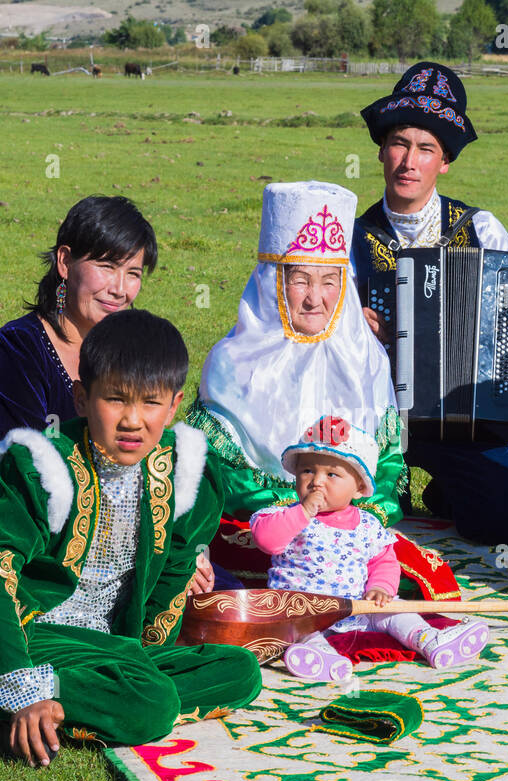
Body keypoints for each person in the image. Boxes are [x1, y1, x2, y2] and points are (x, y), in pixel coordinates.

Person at [0, 310, 262, 767]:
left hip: (115, 644)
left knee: (239, 672)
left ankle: (49, 696)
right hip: (34, 628)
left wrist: (141, 659)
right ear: (81, 397)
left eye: (151, 403)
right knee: (152, 703)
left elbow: (173, 579)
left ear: (173, 407)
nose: (133, 421)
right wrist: (22, 681)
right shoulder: (41, 466)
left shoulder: (189, 476)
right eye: (115, 399)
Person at [186, 180, 459, 600]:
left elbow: (386, 463)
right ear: (273, 281)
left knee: (428, 581)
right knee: (228, 573)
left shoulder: (366, 357)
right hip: (260, 530)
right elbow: (216, 475)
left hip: (348, 521)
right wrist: (300, 507)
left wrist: (353, 514)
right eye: (300, 281)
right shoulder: (231, 362)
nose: (316, 299)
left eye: (329, 281)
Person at [352, 62, 508, 548]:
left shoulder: (481, 228)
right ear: (382, 151)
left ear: (444, 162)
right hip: (378, 415)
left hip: (466, 419)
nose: (409, 161)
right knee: (371, 525)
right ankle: (408, 488)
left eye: (426, 149)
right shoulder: (352, 236)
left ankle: (450, 491)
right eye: (400, 144)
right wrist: (356, 328)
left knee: (504, 528)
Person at [0, 195, 156, 533]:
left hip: (116, 529)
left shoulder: (127, 354)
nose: (119, 289)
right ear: (65, 262)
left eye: (133, 273)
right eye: (107, 267)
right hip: (28, 541)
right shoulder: (15, 350)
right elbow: (27, 471)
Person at [250, 416, 489, 681]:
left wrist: (381, 589)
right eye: (307, 471)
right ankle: (317, 656)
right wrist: (303, 512)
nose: (317, 481)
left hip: (357, 607)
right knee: (294, 624)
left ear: (358, 488)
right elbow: (267, 540)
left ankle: (429, 639)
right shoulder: (283, 515)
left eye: (331, 474)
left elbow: (384, 561)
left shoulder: (366, 525)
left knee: (395, 610)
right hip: (303, 608)